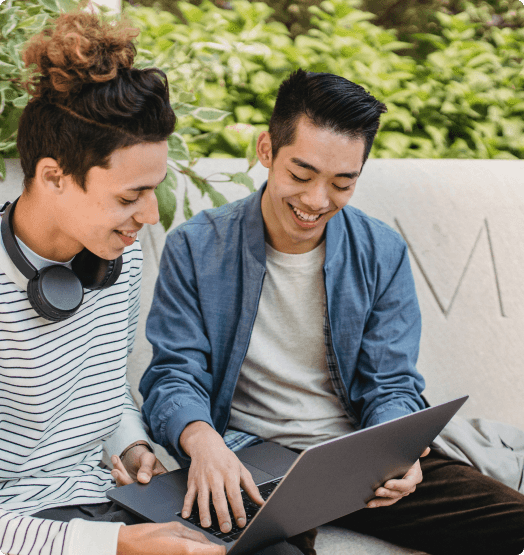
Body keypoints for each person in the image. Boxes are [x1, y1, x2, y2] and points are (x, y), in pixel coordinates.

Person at [140, 69, 524, 555]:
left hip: (357, 460)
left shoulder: (382, 251)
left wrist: (397, 453)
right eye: (300, 175)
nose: (317, 201)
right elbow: (174, 374)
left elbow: (392, 384)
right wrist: (202, 441)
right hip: (252, 459)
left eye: (343, 182)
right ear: (266, 151)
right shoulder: (196, 248)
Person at [0, 10, 226, 555]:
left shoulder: (108, 260)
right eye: (129, 197)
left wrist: (128, 442)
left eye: (154, 189)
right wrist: (117, 545)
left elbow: (103, 395)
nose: (150, 216)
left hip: (103, 502)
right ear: (53, 176)